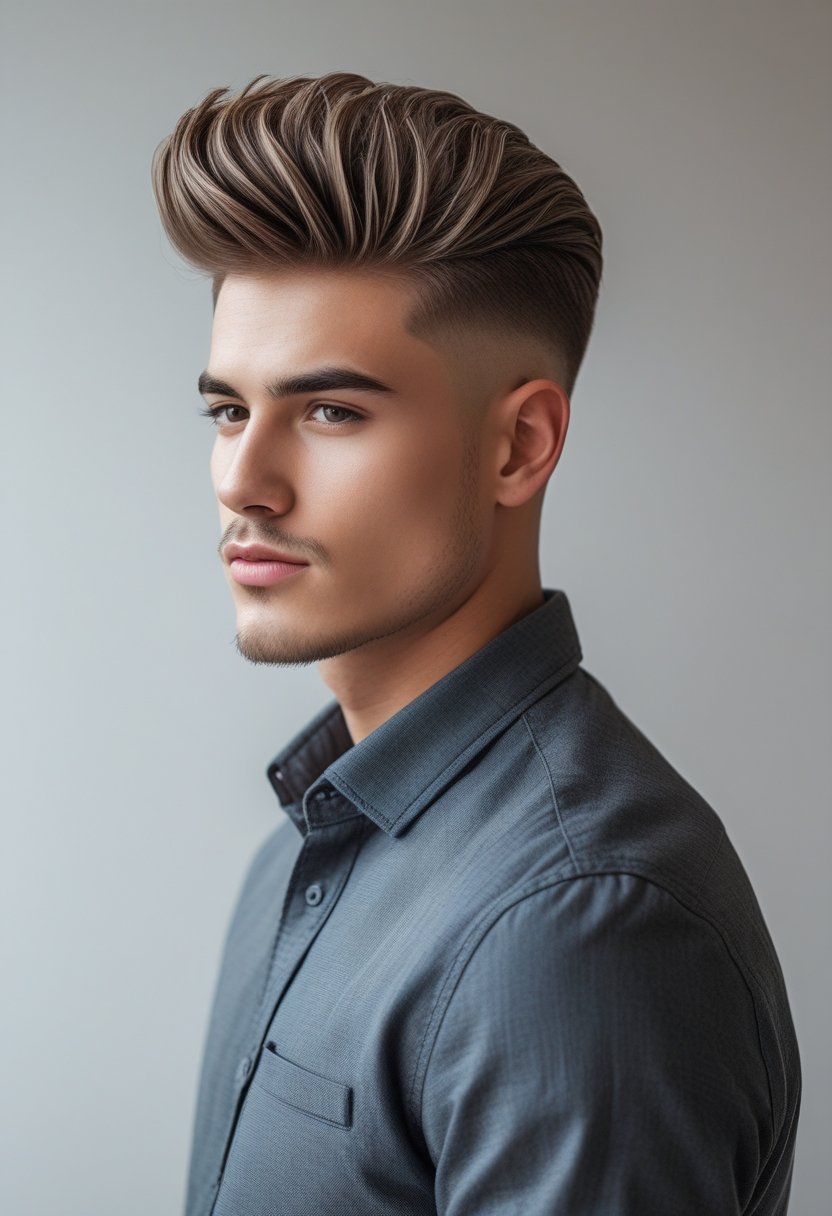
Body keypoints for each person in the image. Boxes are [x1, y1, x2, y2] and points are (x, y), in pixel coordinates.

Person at [151, 71, 801, 1216]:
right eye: (227, 409)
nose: (242, 481)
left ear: (518, 446)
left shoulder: (578, 928)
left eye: (330, 411)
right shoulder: (304, 851)